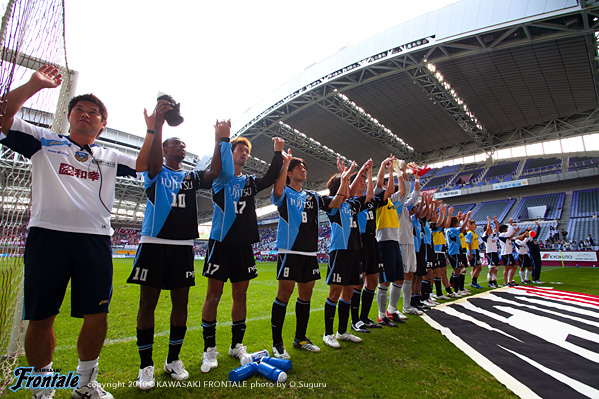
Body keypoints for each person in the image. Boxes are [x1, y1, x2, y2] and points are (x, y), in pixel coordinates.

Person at [0, 66, 153, 399]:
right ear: (69, 117)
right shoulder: (44, 141)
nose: (86, 114)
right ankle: (43, 387)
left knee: (97, 315)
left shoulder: (110, 156)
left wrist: (152, 130)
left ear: (103, 123)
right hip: (47, 237)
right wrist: (34, 85)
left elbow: (145, 165)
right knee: (41, 318)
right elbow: (3, 117)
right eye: (79, 110)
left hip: (95, 241)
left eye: (94, 112)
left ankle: (84, 386)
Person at [128, 98, 231, 389]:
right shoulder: (155, 172)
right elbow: (152, 162)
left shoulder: (190, 176)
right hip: (154, 242)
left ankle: (173, 360)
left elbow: (213, 173)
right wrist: (159, 125)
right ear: (163, 149)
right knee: (147, 303)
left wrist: (217, 139)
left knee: (181, 303)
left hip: (183, 246)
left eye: (184, 144)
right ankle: (145, 366)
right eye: (176, 143)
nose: (181, 146)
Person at [200, 136, 284, 372]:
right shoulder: (220, 177)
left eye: (246, 151)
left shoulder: (248, 182)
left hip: (243, 245)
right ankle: (209, 349)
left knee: (241, 295)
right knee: (213, 296)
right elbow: (220, 161)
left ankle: (237, 345)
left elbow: (269, 178)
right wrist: (223, 139)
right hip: (220, 242)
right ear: (230, 152)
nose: (244, 153)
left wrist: (278, 153)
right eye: (239, 149)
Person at [270, 155, 345, 358]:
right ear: (290, 173)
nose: (303, 169)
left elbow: (336, 203)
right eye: (298, 167)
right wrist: (285, 163)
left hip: (309, 253)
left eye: (304, 166)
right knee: (284, 295)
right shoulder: (283, 192)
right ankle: (277, 344)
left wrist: (344, 179)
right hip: (289, 251)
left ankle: (300, 338)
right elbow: (276, 192)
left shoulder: (313, 196)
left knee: (306, 296)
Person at [322, 160, 371, 348]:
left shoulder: (351, 205)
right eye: (346, 183)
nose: (351, 187)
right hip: (339, 251)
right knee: (335, 291)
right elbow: (345, 190)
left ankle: (342, 331)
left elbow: (366, 196)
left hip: (354, 251)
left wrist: (362, 172)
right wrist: (346, 177)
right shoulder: (331, 204)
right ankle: (328, 333)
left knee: (349, 292)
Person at [498, 219, 520, 286]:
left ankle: (510, 280)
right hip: (505, 254)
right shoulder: (502, 235)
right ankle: (505, 282)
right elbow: (509, 234)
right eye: (506, 228)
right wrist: (511, 224)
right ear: (504, 229)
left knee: (514, 267)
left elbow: (511, 237)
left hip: (509, 254)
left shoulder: (506, 237)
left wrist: (516, 232)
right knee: (506, 268)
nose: (507, 230)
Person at [482, 216, 501, 288]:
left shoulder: (492, 235)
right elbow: (487, 230)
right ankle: (490, 282)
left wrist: (496, 221)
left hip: (495, 252)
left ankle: (494, 281)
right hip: (490, 253)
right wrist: (489, 222)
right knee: (491, 268)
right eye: (490, 229)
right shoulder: (485, 235)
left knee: (496, 267)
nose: (491, 230)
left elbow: (497, 229)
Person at [466, 220, 483, 289]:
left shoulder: (474, 233)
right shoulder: (469, 233)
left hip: (476, 251)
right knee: (478, 267)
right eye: (474, 224)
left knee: (476, 267)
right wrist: (470, 253)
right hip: (472, 252)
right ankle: (474, 282)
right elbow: (468, 243)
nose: (475, 225)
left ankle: (474, 282)